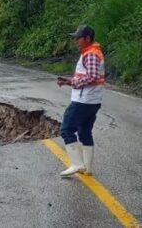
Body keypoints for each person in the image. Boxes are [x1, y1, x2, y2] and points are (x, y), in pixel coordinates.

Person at [56, 25, 105, 177]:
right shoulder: (93, 52)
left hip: (83, 100)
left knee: (66, 129)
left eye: (78, 38)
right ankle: (87, 168)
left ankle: (77, 164)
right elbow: (89, 75)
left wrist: (73, 83)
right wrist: (69, 81)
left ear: (87, 38)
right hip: (93, 100)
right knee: (84, 133)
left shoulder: (90, 54)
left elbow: (92, 76)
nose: (75, 41)